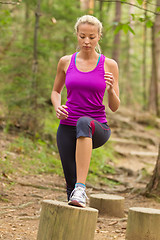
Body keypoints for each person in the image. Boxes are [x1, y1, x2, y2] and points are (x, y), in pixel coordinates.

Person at [51, 15, 120, 208]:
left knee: (83, 122)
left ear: (99, 36)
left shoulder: (109, 65)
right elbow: (56, 91)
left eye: (91, 36)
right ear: (77, 35)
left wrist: (111, 90)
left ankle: (82, 187)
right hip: (66, 127)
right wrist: (58, 107)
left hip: (96, 128)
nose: (86, 41)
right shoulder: (66, 62)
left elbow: (115, 106)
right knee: (70, 189)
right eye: (82, 36)